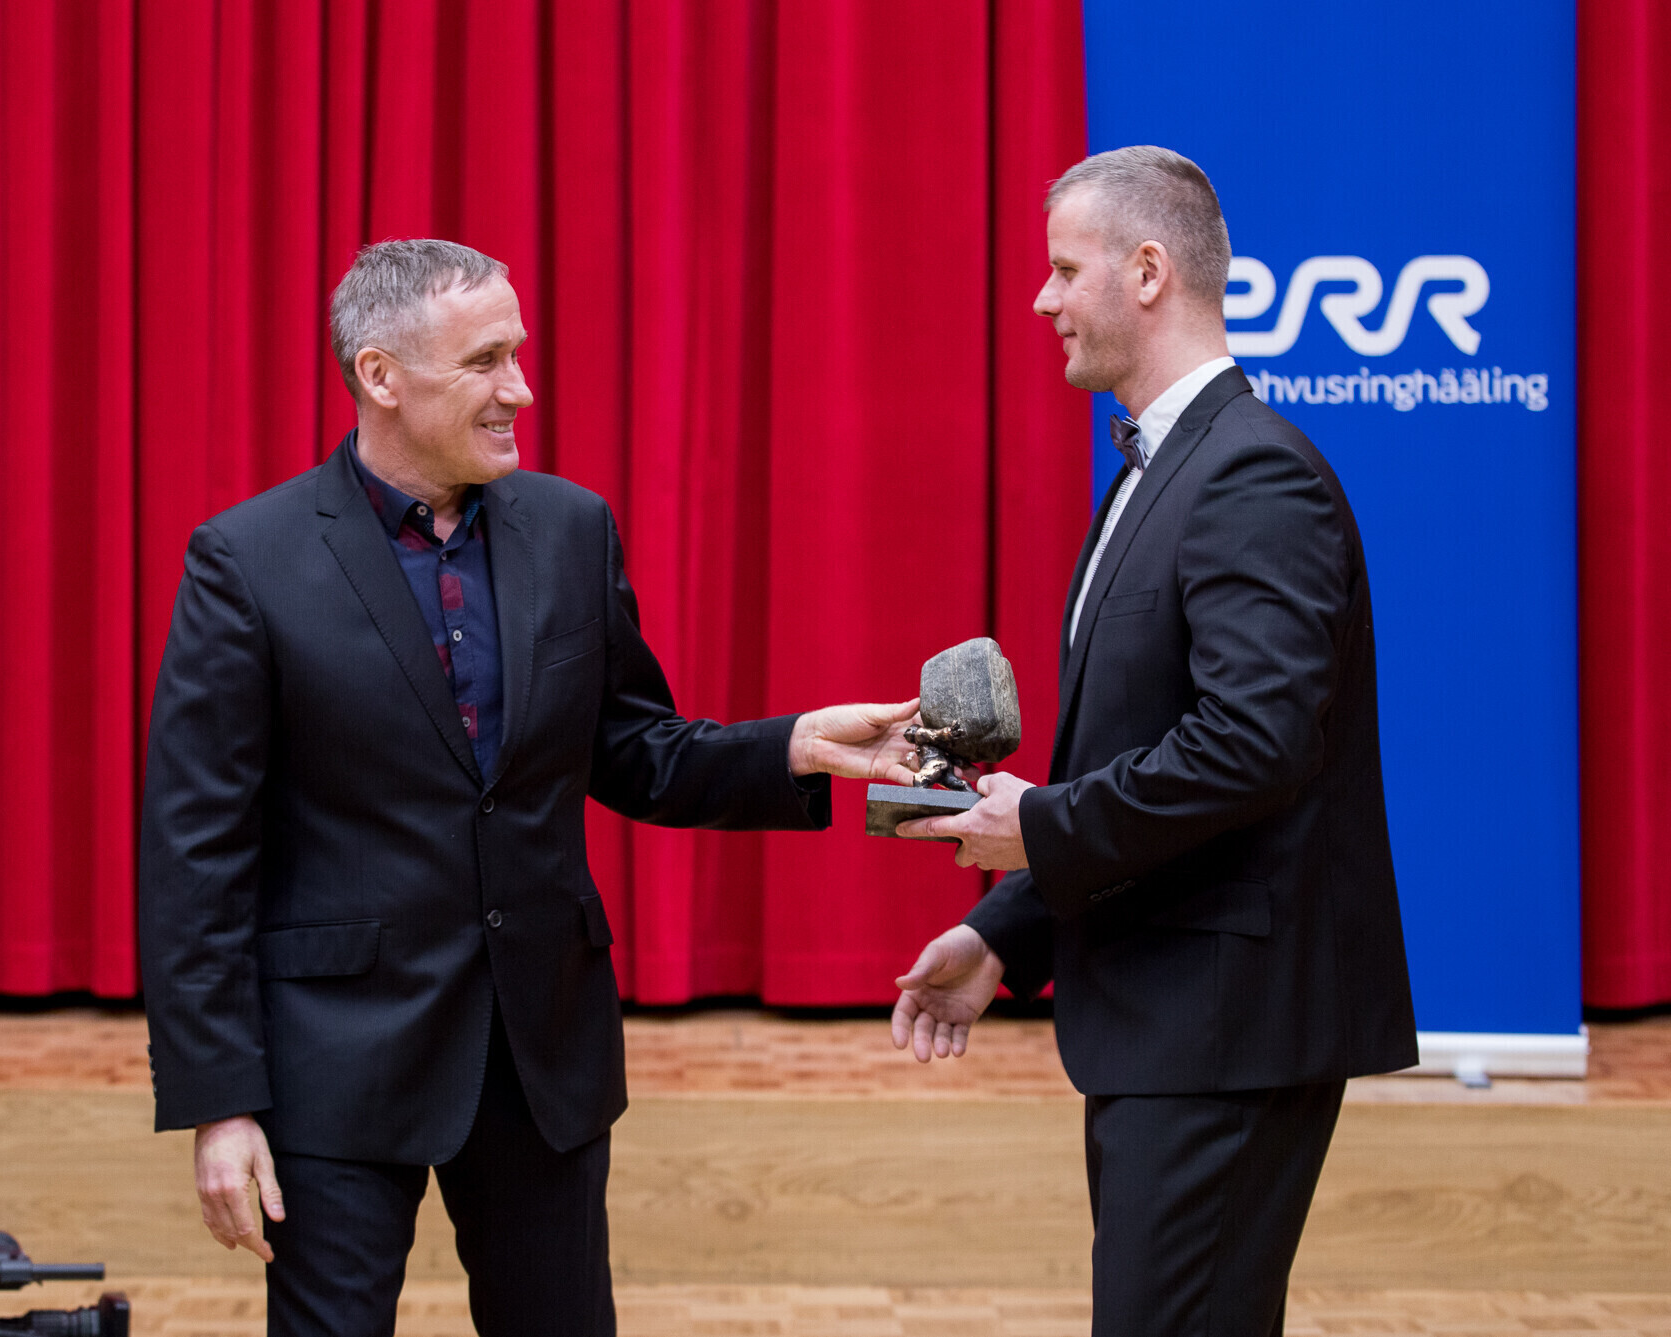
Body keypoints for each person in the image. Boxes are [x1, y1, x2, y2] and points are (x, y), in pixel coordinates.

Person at [139, 238, 919, 1336]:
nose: (521, 388)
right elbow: (195, 853)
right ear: (380, 375)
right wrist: (220, 1101)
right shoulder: (246, 559)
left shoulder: (569, 528)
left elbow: (636, 749)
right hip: (333, 1062)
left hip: (541, 1052)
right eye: (485, 361)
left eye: (517, 353)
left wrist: (795, 746)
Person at [890, 147, 1418, 1336]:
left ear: (1145, 271)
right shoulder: (1163, 465)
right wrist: (1006, 927)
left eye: (1061, 270)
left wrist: (1035, 824)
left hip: (1225, 1027)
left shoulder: (1250, 473)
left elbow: (1248, 744)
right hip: (1172, 1022)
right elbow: (1142, 750)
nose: (1041, 300)